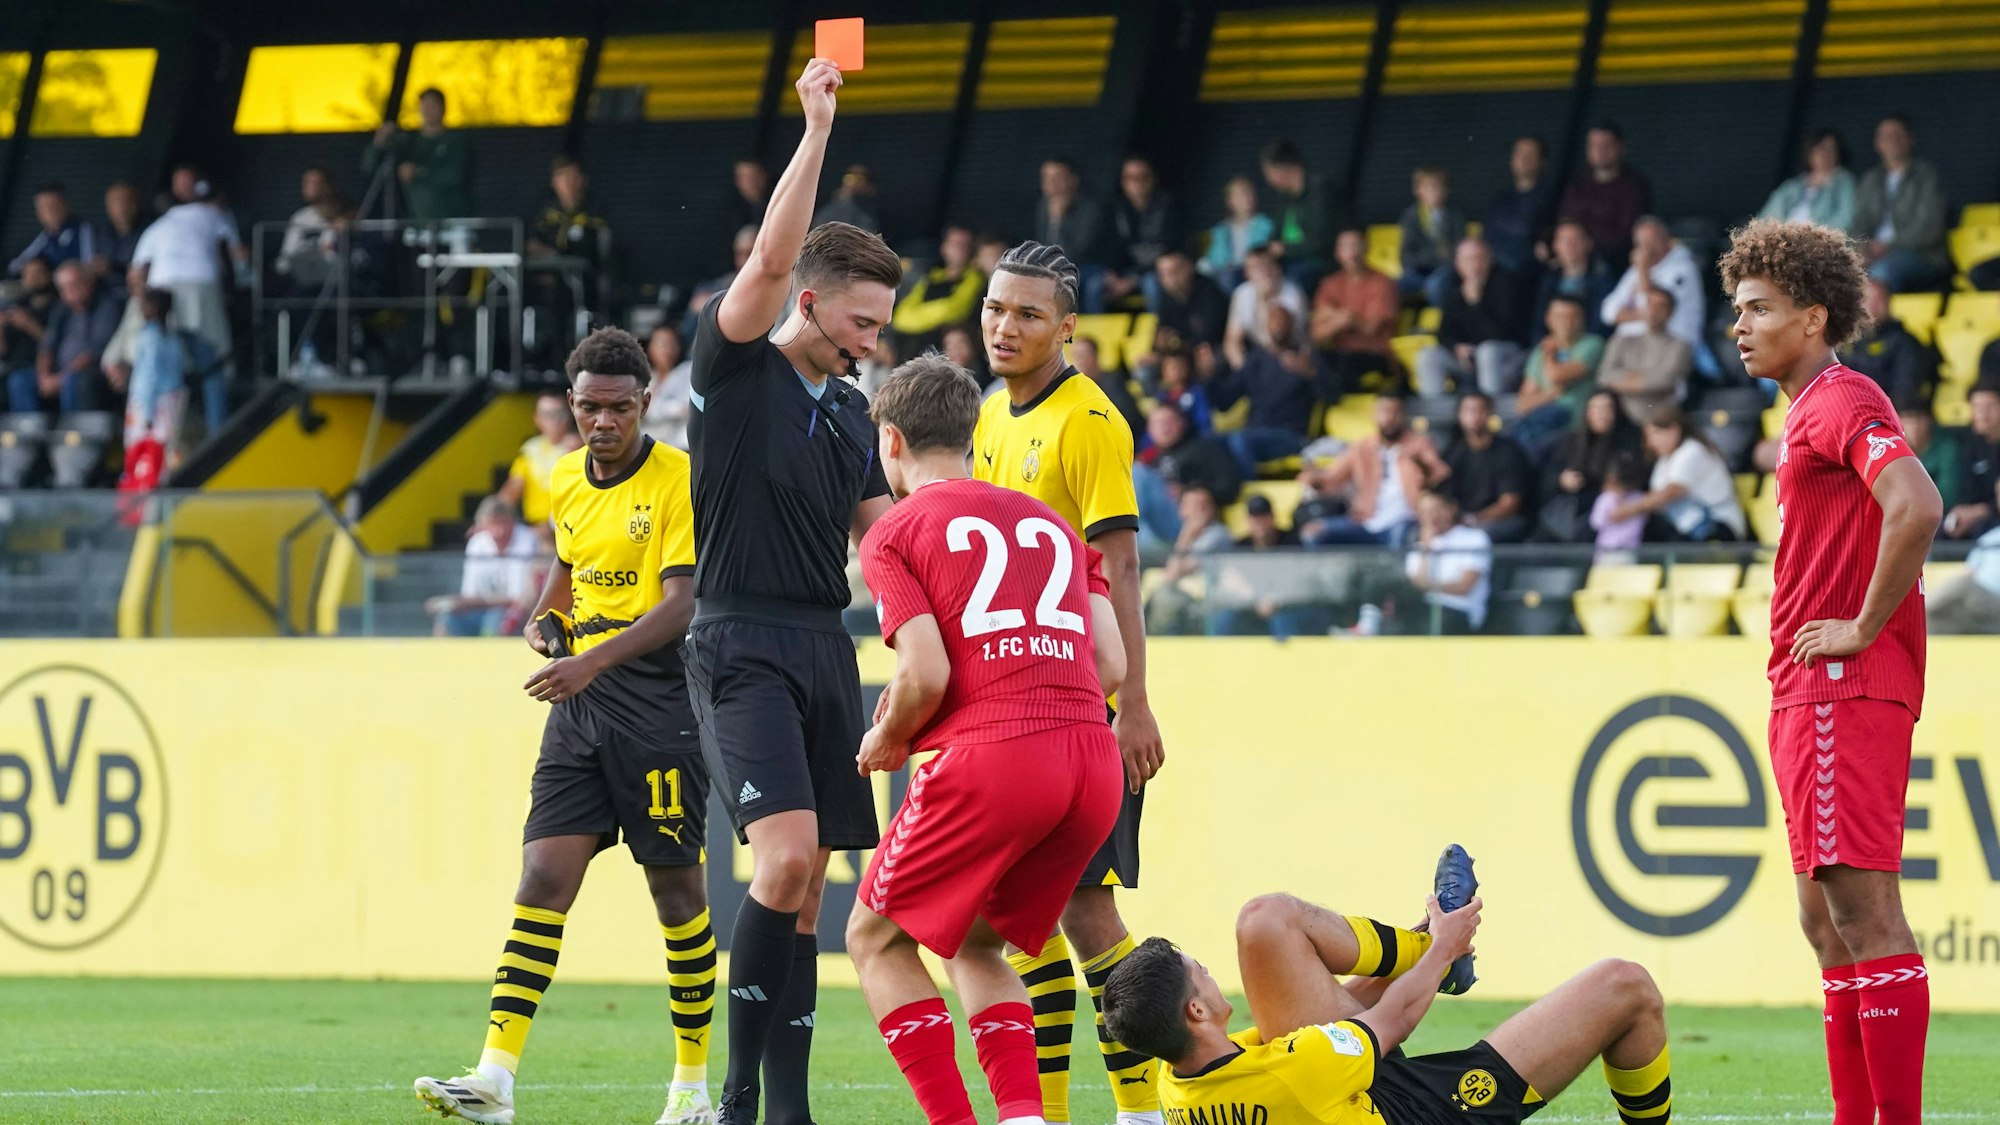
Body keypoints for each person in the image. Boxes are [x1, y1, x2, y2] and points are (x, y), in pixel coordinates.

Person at [412, 328, 716, 1125]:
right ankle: (495, 1077)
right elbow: (566, 572)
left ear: (647, 404)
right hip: (580, 713)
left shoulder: (679, 478)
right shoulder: (566, 481)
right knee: (542, 878)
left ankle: (690, 1087)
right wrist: (545, 624)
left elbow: (681, 604)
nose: (603, 421)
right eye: (589, 406)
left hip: (660, 712)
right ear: (572, 404)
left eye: (619, 407)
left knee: (677, 894)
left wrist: (590, 659)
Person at [684, 58, 898, 1125]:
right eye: (862, 323)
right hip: (737, 642)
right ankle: (732, 1101)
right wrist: (814, 129)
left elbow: (887, 539)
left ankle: (788, 1114)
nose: (875, 342)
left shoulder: (856, 415)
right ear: (808, 304)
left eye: (883, 326)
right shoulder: (732, 370)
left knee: (809, 887)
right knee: (784, 861)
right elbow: (770, 253)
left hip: (825, 649)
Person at [848, 353, 1126, 1125]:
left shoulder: (894, 532)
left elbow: (925, 674)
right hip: (1091, 765)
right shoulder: (1052, 525)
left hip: (997, 757)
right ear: (970, 436)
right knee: (977, 946)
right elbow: (1111, 661)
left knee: (873, 939)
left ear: (891, 440)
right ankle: (1024, 1119)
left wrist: (890, 738)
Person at [1722, 217, 1941, 1125]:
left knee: (1867, 918)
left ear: (1813, 316)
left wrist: (1859, 625)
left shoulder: (1842, 398)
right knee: (1828, 927)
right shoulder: (1806, 410)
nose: (1740, 324)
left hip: (1841, 690)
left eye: (1760, 307)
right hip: (1808, 689)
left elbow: (1916, 504)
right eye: (1736, 308)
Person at [973, 241, 1166, 1125]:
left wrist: (1135, 703)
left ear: (1067, 327)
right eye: (995, 308)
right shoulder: (989, 415)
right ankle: (1043, 1112)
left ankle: (1140, 1109)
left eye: (1027, 314)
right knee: (1031, 919)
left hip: (1080, 707)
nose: (1005, 327)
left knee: (1087, 914)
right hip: (1010, 703)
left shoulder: (1089, 422)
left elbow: (1121, 570)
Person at [1100, 872, 1677, 1125]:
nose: (1205, 968)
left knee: (1264, 921)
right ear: (1195, 1011)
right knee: (1626, 985)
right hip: (1422, 1116)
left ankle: (1420, 940)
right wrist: (1445, 951)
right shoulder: (1294, 1072)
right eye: (1194, 970)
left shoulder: (1179, 1084)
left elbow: (1340, 1013)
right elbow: (1393, 1019)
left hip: (1340, 1099)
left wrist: (1428, 947)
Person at [128, 173, 244, 382]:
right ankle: (217, 412)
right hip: (200, 283)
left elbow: (135, 273)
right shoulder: (214, 214)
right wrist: (232, 288)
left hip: (162, 289)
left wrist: (143, 303)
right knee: (213, 356)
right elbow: (236, 256)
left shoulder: (159, 224)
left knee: (168, 353)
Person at [1296, 393, 1446, 547]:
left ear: (1404, 416)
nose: (1390, 418)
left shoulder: (1419, 444)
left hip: (1404, 519)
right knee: (1314, 533)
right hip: (1365, 520)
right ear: (1375, 415)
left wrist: (1420, 464)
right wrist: (1314, 480)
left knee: (1402, 539)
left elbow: (1439, 475)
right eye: (1384, 411)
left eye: (1395, 412)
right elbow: (1332, 479)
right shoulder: (1362, 447)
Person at [1211, 304, 1325, 476]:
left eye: (1283, 319)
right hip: (1255, 432)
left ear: (1293, 324)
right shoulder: (1256, 359)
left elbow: (1333, 397)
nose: (1278, 324)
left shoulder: (1307, 357)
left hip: (1291, 435)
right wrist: (1209, 374)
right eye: (1274, 320)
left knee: (1239, 439)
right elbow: (1223, 401)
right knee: (1208, 442)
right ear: (1266, 326)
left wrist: (1310, 374)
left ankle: (1249, 493)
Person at [1415, 238, 1528, 396]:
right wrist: (1456, 347)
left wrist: (1475, 303)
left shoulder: (1507, 285)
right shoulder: (1453, 287)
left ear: (1490, 259)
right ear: (1458, 264)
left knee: (1486, 351)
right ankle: (1437, 413)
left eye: (1479, 257)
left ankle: (1489, 409)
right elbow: (1444, 332)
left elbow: (1501, 332)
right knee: (1428, 356)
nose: (1474, 264)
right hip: (1467, 356)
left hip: (1505, 354)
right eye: (1468, 259)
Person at [1612, 409, 1745, 542]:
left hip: (1716, 528)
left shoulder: (1692, 450)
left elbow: (1672, 491)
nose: (1651, 443)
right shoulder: (1664, 460)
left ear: (1674, 430)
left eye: (1656, 434)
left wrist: (1630, 509)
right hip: (1684, 529)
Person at [1852, 115, 1950, 293]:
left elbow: (1929, 227)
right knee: (1837, 274)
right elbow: (1859, 223)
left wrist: (1889, 246)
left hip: (1920, 255)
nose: (1892, 141)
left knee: (1880, 272)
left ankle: (1879, 321)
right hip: (1874, 254)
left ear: (1910, 139)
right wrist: (1864, 249)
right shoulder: (1870, 180)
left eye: (1897, 135)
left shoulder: (1927, 176)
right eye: (1886, 136)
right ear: (1877, 143)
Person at [10, 262, 119, 415]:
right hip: (60, 372)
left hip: (92, 372)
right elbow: (48, 345)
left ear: (89, 282)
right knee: (20, 380)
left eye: (75, 284)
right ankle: (31, 433)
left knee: (74, 381)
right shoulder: (61, 309)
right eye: (65, 287)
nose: (71, 291)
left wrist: (60, 379)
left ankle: (73, 434)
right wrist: (44, 376)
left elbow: (94, 352)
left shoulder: (106, 306)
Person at [427, 495, 542, 637]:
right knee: (446, 620)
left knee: (495, 621)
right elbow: (470, 592)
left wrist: (475, 602)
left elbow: (518, 598)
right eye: (492, 525)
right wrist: (451, 604)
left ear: (512, 523)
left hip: (518, 613)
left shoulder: (526, 540)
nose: (498, 532)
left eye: (502, 524)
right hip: (480, 609)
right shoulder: (477, 543)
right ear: (482, 525)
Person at [1538, 388, 1642, 543]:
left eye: (1607, 408)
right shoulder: (1572, 441)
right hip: (1571, 507)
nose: (1602, 414)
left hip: (1612, 507)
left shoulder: (1630, 441)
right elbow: (1549, 477)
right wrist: (1562, 480)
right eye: (1595, 408)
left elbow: (1633, 476)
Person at [1600, 216, 1706, 356]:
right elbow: (1608, 311)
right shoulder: (1637, 269)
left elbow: (1654, 310)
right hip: (1636, 344)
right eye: (1642, 243)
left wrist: (1643, 272)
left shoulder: (1683, 268)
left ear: (1666, 240)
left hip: (1673, 345)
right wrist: (1640, 315)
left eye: (1651, 241)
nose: (1647, 248)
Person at [364, 87, 473, 222]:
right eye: (424, 105)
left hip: (453, 221)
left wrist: (418, 171)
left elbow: (455, 175)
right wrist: (378, 142)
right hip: (417, 223)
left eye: (433, 104)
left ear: (443, 107)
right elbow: (371, 167)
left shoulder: (456, 141)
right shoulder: (409, 142)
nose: (428, 110)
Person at [1311, 228, 1400, 390]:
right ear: (1337, 253)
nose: (1351, 253)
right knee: (1311, 359)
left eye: (1356, 246)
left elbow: (1371, 329)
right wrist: (1345, 317)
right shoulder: (1330, 284)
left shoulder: (1382, 282)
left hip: (1375, 354)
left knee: (1343, 366)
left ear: (1366, 249)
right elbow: (1317, 334)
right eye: (1346, 247)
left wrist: (1336, 316)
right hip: (1341, 354)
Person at [1515, 294, 1606, 450]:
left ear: (1581, 319)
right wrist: (1550, 395)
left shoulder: (1592, 344)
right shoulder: (1539, 352)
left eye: (1571, 316)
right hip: (1541, 417)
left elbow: (1556, 376)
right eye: (1559, 316)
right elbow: (1522, 404)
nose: (1565, 322)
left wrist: (1550, 353)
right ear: (1548, 319)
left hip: (1571, 420)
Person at [1440, 391, 1532, 544]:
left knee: (1478, 537)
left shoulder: (1508, 451)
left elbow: (1510, 504)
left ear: (1490, 413)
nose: (1474, 415)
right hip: (1463, 521)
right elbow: (1446, 498)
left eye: (1480, 410)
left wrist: (1474, 520)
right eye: (1468, 410)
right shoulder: (1453, 453)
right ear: (1459, 415)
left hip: (1501, 522)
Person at [1558, 121, 1652, 266]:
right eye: (1594, 145)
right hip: (1575, 260)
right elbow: (1566, 219)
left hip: (1614, 261)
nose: (1600, 151)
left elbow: (1627, 234)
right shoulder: (1577, 182)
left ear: (1620, 148)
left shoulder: (1634, 186)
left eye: (1606, 145)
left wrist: (1586, 246)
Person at [1599, 287, 1693, 425]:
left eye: (1661, 306)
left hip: (1658, 421)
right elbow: (1604, 376)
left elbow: (1665, 380)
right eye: (1650, 304)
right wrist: (1644, 379)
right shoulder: (1623, 340)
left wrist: (1623, 380)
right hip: (1618, 420)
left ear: (1671, 312)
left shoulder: (1680, 346)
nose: (1654, 310)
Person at [1404, 489, 1493, 633]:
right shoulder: (1419, 545)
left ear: (1451, 508)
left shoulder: (1474, 538)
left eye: (1437, 509)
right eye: (1425, 512)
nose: (1433, 517)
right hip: (1424, 609)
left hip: (1459, 611)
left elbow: (1464, 586)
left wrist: (1427, 586)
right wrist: (1427, 548)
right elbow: (1416, 583)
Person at [1104, 156, 1185, 308]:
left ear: (1152, 179)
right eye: (1131, 178)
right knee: (1095, 284)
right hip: (1125, 271)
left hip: (1155, 270)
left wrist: (1134, 279)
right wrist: (1111, 273)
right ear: (1123, 181)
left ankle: (1157, 329)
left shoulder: (1169, 206)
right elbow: (1109, 247)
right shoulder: (1116, 209)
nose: (1137, 183)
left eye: (1143, 177)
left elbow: (1171, 248)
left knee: (1151, 284)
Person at [501, 394, 584, 537]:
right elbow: (508, 496)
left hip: (576, 527)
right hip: (538, 532)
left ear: (570, 415)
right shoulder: (530, 453)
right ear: (537, 419)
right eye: (547, 414)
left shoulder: (584, 449)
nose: (554, 420)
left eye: (560, 414)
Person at [892, 225, 985, 352]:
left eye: (965, 244)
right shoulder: (932, 277)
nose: (960, 249)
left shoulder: (974, 277)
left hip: (945, 350)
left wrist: (919, 314)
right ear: (944, 248)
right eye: (955, 244)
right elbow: (901, 316)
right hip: (913, 347)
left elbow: (955, 309)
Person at [1260, 138, 1339, 285]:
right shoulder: (1285, 199)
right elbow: (1275, 237)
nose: (1269, 180)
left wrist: (1285, 249)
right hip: (1288, 261)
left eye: (1269, 174)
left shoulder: (1319, 191)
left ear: (1283, 168)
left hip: (1317, 263)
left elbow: (1321, 240)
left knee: (1290, 279)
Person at [1846, 278, 1934, 409]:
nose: (1872, 307)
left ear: (1889, 304)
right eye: (1867, 300)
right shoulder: (1845, 341)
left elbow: (1904, 389)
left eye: (1879, 300)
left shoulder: (1904, 343)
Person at [1032, 157, 1106, 304]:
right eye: (1046, 177)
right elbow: (1043, 246)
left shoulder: (1089, 208)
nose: (1050, 183)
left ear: (1073, 180)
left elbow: (1078, 252)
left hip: (1087, 267)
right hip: (1055, 269)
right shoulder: (1043, 207)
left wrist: (1058, 220)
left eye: (1057, 177)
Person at [1759, 128, 1858, 234]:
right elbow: (1767, 215)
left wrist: (1815, 235)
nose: (1823, 154)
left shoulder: (1844, 182)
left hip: (1817, 242)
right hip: (1784, 238)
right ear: (1810, 152)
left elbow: (1846, 218)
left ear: (1839, 154)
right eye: (1819, 148)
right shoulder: (1792, 185)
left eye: (1830, 149)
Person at [1223, 246, 1307, 367]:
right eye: (1256, 267)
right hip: (1255, 354)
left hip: (1288, 353)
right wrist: (1244, 370)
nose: (1264, 271)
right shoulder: (1242, 294)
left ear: (1278, 268)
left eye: (1268, 265)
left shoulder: (1293, 295)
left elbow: (1294, 340)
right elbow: (1232, 341)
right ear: (1247, 274)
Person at [1396, 165, 1467, 308]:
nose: (1435, 192)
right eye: (1430, 187)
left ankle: (1440, 323)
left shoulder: (1455, 215)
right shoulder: (1411, 217)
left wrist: (1448, 256)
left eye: (1440, 186)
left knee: (1435, 285)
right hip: (1418, 271)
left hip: (1446, 270)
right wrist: (1435, 255)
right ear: (1418, 190)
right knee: (1392, 287)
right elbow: (1407, 256)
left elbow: (1460, 248)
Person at [1483, 135, 1554, 277]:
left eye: (1530, 155)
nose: (1524, 159)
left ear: (1542, 161)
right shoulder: (1500, 199)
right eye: (1519, 154)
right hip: (1493, 270)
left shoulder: (1552, 197)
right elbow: (1488, 236)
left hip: (1530, 273)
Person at [1532, 219, 1614, 340]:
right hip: (1552, 345)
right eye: (1564, 240)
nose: (1570, 245)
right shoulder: (1548, 280)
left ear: (1589, 243)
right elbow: (1538, 322)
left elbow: (1601, 325)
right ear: (1555, 246)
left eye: (1576, 240)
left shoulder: (1602, 279)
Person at [1944, 381, 1999, 540]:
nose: (1983, 414)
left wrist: (1982, 511)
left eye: (1990, 407)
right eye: (1977, 407)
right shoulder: (1966, 445)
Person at [8, 183, 102, 278]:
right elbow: (16, 265)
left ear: (66, 205)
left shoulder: (83, 229)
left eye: (54, 205)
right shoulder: (44, 237)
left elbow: (89, 264)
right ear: (38, 213)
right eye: (44, 207)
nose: (50, 211)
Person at [1201, 175, 1274, 289]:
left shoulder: (1266, 225)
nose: (1247, 198)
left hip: (1253, 272)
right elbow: (1212, 260)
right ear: (1229, 200)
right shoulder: (1219, 231)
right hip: (1225, 273)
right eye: (1242, 194)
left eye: (1250, 194)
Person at [1147, 249, 1228, 349]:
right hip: (1184, 350)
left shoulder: (1210, 293)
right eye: (1163, 274)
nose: (1170, 279)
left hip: (1215, 347)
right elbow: (1164, 331)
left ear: (1189, 267)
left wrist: (1176, 341)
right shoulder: (1165, 297)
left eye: (1174, 272)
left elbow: (1210, 335)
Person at [643, 325, 693, 450]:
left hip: (682, 445)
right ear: (651, 348)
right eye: (661, 344)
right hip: (651, 444)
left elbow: (685, 408)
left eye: (671, 343)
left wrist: (655, 408)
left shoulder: (688, 370)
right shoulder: (646, 378)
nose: (666, 349)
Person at [1591, 452, 1648, 562]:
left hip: (1628, 551)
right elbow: (1596, 522)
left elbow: (1638, 526)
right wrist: (1610, 516)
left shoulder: (1638, 498)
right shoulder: (1605, 498)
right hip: (1604, 550)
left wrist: (1627, 511)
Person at [101, 181, 149, 283]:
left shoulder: (150, 233)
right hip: (106, 293)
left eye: (128, 202)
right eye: (116, 202)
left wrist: (112, 267)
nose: (123, 207)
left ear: (136, 205)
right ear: (108, 208)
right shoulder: (101, 236)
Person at [813, 163, 879, 233]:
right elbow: (819, 226)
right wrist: (842, 201)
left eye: (859, 179)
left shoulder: (875, 208)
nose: (853, 184)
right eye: (850, 178)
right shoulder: (833, 205)